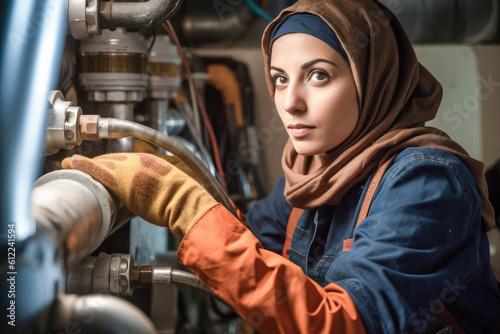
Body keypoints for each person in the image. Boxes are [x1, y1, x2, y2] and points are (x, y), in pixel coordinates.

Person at [62, 0, 500, 332]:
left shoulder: (426, 182)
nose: (290, 102)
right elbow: (251, 248)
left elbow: (344, 323)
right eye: (279, 78)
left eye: (319, 75)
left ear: (373, 78)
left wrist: (183, 205)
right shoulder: (313, 168)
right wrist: (191, 187)